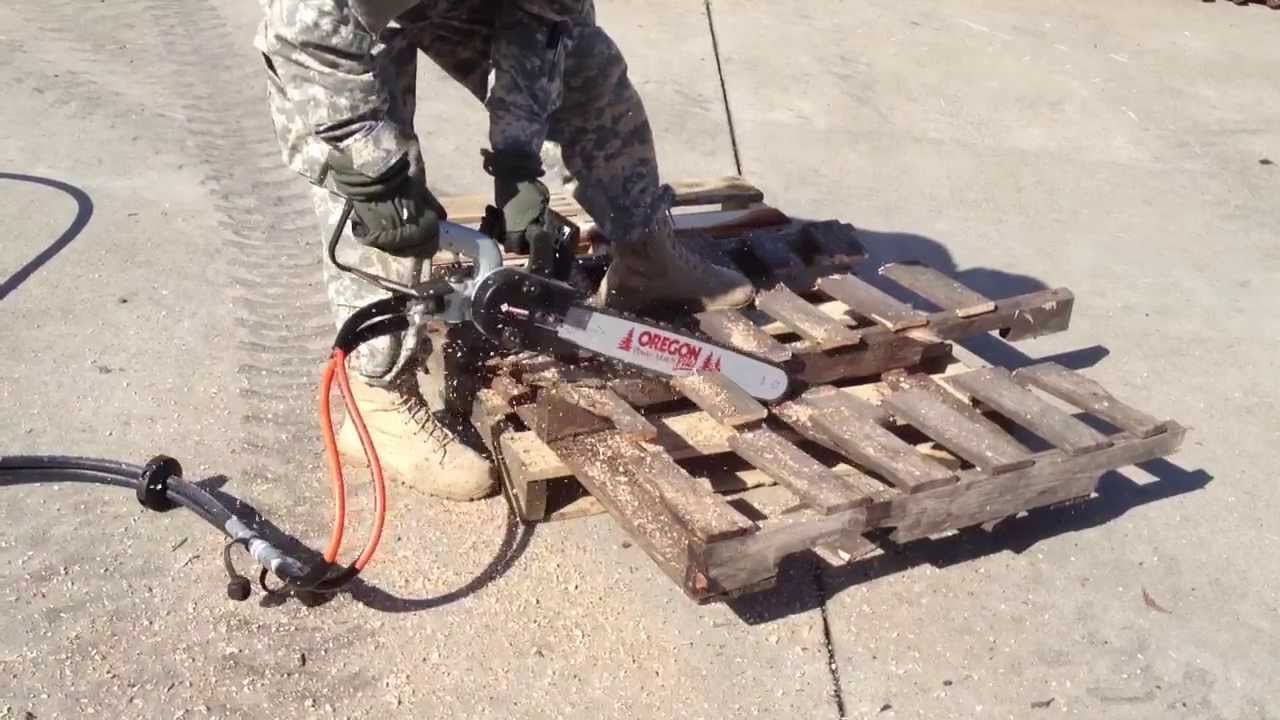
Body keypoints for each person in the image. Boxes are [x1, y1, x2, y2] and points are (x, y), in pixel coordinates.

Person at [256, 0, 754, 500]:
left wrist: (517, 159)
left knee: (587, 68)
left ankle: (646, 256)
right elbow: (309, 42)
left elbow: (542, 22)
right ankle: (377, 396)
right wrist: (375, 176)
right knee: (380, 192)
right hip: (328, 26)